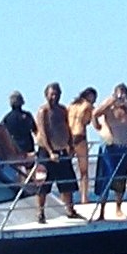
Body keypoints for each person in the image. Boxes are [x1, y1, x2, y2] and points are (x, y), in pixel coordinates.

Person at [34, 82, 82, 221]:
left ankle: (70, 209)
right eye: (52, 94)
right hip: (46, 153)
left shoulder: (62, 110)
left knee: (67, 183)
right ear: (46, 95)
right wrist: (50, 152)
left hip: (62, 151)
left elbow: (66, 127)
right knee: (43, 184)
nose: (54, 97)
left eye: (57, 94)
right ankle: (40, 212)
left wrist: (70, 145)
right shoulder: (43, 111)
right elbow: (43, 132)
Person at [92, 83, 127, 214]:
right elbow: (95, 114)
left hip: (125, 146)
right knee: (107, 176)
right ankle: (101, 210)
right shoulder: (109, 105)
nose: (121, 97)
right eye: (119, 94)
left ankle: (118, 207)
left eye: (124, 94)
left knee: (120, 178)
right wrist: (98, 127)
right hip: (110, 146)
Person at [66, 87, 98, 204]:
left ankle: (64, 197)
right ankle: (84, 197)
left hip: (69, 136)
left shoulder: (71, 106)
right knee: (83, 170)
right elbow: (88, 121)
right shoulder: (88, 106)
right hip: (80, 135)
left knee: (65, 167)